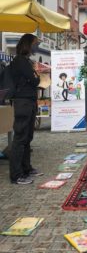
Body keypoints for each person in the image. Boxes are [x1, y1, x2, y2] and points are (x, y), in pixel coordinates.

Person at [9, 34, 41, 185]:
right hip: (23, 103)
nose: (36, 46)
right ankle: (16, 175)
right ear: (28, 44)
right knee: (20, 138)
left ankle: (26, 168)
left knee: (27, 137)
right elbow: (35, 81)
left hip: (29, 102)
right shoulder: (21, 61)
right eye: (35, 43)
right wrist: (36, 73)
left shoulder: (26, 61)